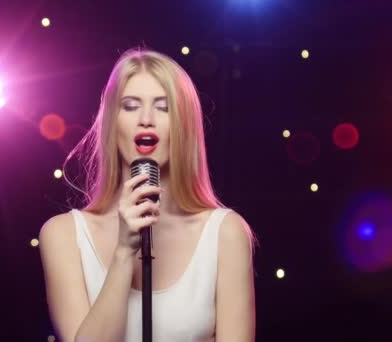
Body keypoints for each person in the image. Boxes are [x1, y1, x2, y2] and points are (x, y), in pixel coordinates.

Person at [39, 47, 258, 342]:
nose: (146, 119)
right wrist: (123, 252)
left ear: (184, 126)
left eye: (163, 107)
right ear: (112, 124)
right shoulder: (63, 235)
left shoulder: (225, 233)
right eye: (130, 106)